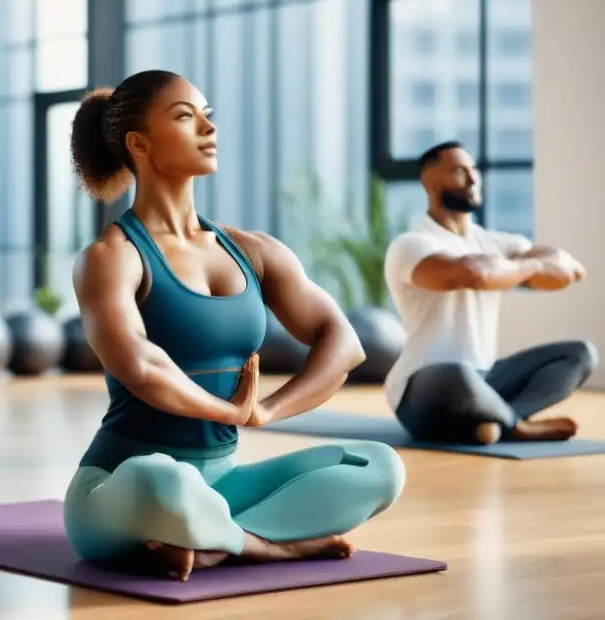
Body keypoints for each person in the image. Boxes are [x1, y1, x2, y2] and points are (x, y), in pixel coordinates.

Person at [63, 70, 405, 582]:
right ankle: (268, 547)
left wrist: (265, 411)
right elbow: (139, 365)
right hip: (118, 486)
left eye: (209, 115)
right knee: (159, 482)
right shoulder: (112, 257)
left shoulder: (254, 251)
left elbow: (343, 341)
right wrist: (227, 409)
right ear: (139, 144)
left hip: (221, 483)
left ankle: (207, 538)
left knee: (378, 467)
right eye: (185, 116)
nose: (208, 127)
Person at [384, 141, 597, 445]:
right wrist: (533, 265)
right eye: (459, 171)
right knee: (457, 375)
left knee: (580, 354)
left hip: (488, 378)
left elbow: (569, 270)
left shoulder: (495, 243)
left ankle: (500, 420)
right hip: (425, 386)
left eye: (474, 170)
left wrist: (521, 266)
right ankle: (515, 426)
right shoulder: (411, 244)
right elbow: (475, 274)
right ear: (429, 182)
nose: (473, 179)